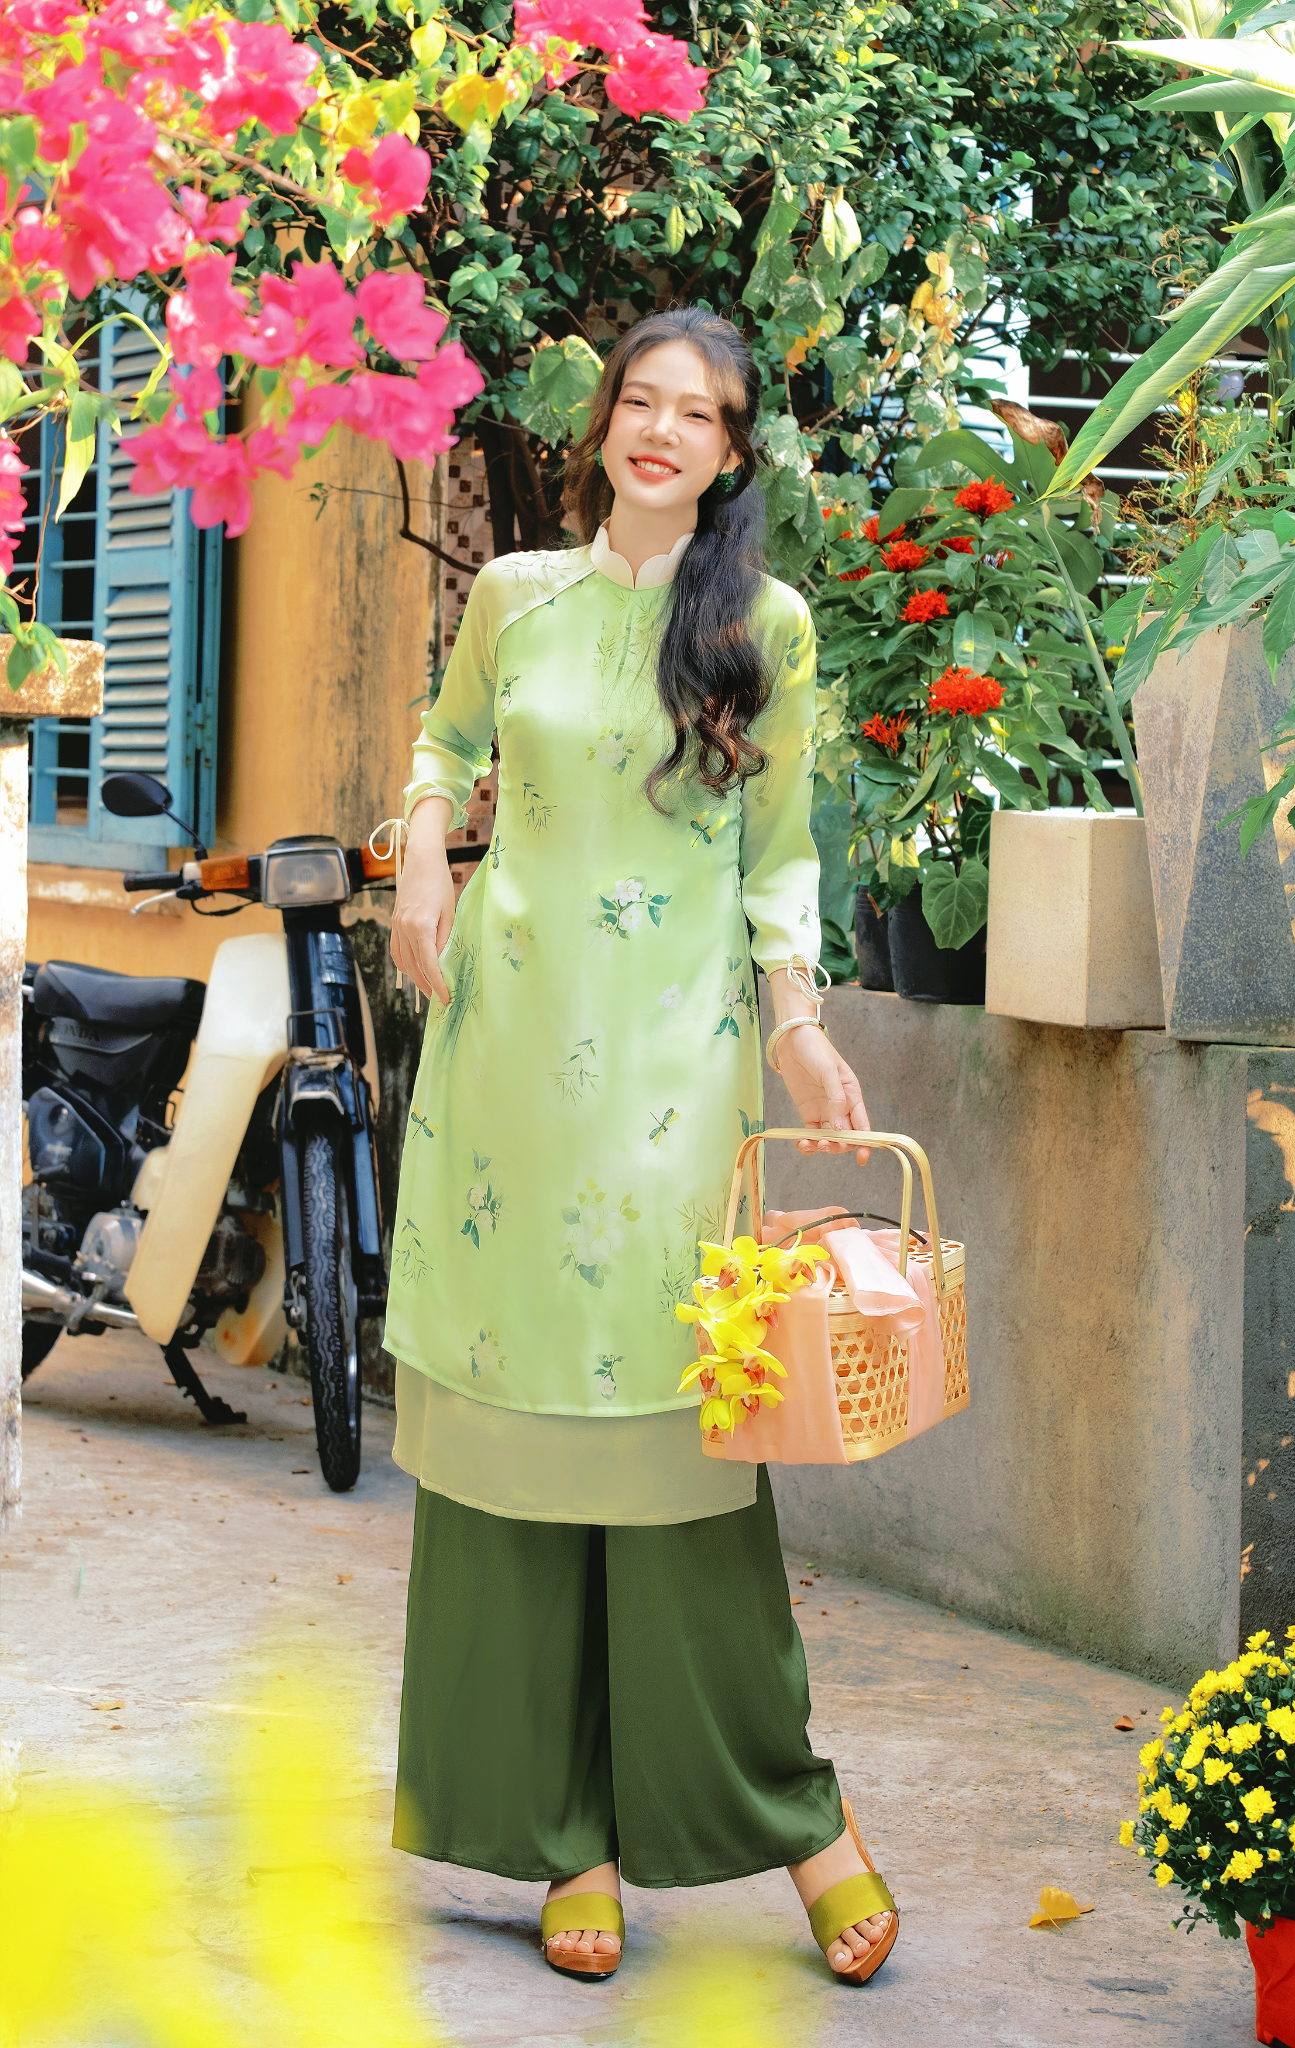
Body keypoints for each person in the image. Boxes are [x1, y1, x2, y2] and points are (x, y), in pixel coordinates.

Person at [386, 306, 896, 1985]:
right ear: (605, 422)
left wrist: (800, 1024)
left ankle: (796, 1814)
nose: (662, 431)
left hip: (675, 1081)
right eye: (643, 403)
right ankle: (569, 1841)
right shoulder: (516, 595)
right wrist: (423, 848)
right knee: (516, 1439)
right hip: (507, 1070)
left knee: (679, 1444)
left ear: (734, 453)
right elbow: (446, 742)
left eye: (701, 415)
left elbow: (782, 851)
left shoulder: (765, 627)